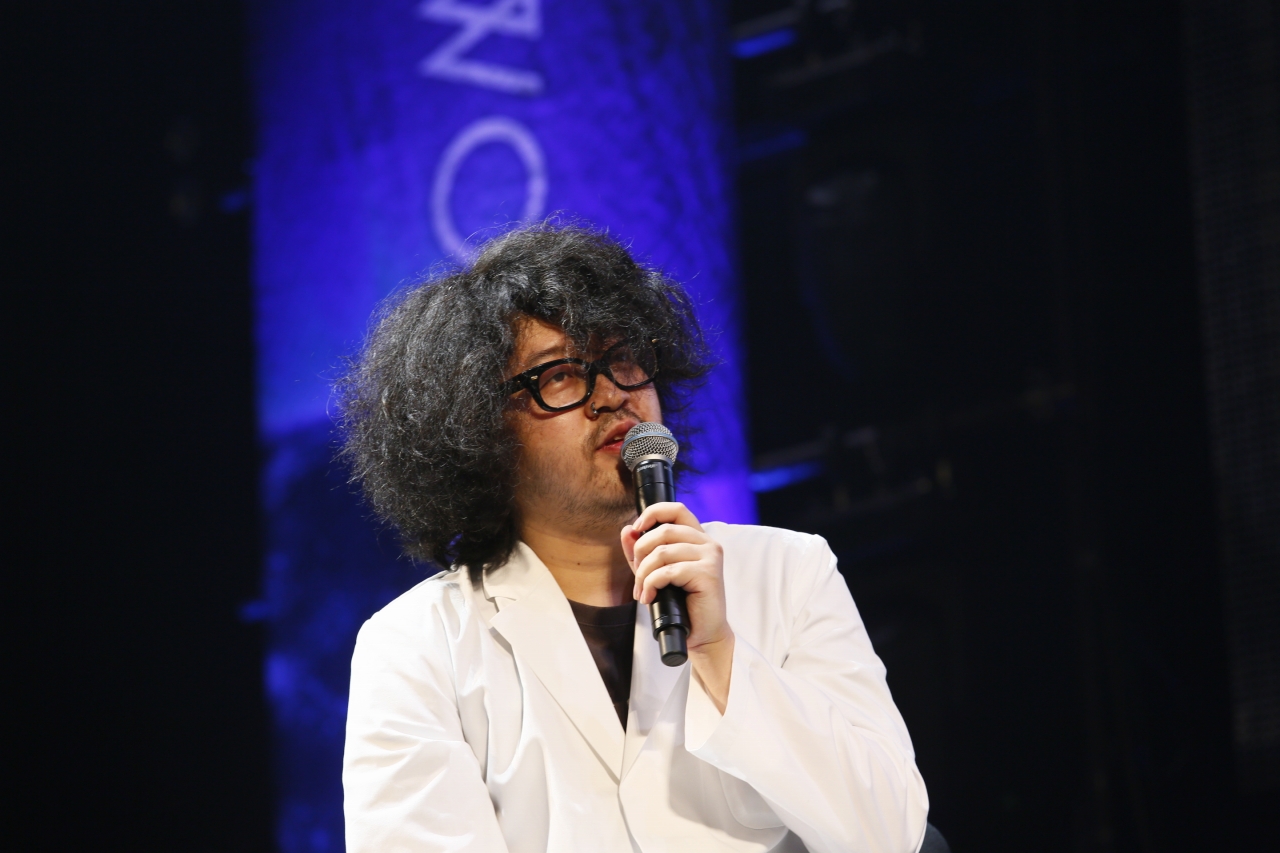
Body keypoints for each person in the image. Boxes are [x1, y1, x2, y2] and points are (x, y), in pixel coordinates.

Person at [337, 223, 930, 852]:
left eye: (624, 358)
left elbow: (891, 832)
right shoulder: (417, 646)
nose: (612, 395)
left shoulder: (789, 571)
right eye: (560, 375)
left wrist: (724, 656)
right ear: (478, 431)